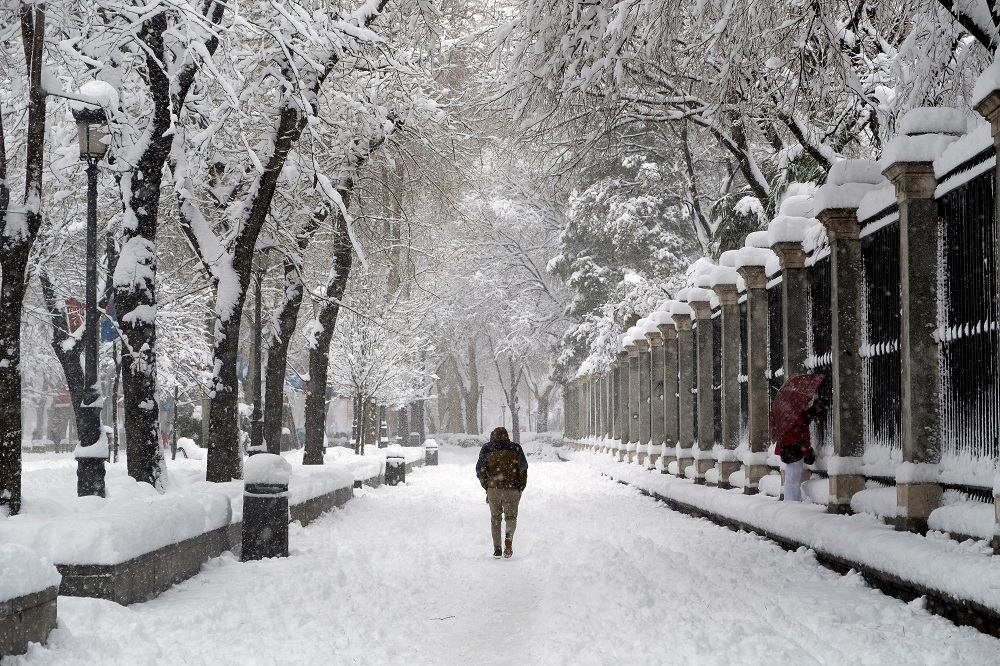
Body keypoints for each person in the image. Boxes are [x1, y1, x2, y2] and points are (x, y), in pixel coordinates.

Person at [476, 427, 528, 559]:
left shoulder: (487, 448)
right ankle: (508, 537)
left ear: (493, 436)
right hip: (512, 488)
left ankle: (497, 548)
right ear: (507, 436)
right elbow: (523, 468)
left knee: (495, 518)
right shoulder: (515, 448)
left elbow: (480, 470)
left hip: (494, 489)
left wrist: (487, 486)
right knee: (511, 517)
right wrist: (521, 486)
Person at [775, 399, 821, 502]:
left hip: (789, 447)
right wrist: (813, 408)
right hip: (793, 447)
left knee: (793, 477)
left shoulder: (787, 411)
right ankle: (791, 501)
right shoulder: (792, 412)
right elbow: (803, 420)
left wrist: (813, 409)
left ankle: (794, 500)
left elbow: (804, 419)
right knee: (793, 477)